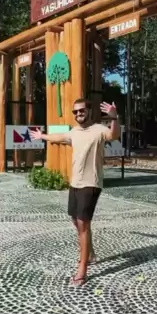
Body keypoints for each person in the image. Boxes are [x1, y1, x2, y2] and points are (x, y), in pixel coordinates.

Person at [30, 99, 120, 286]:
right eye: (75, 112)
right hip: (75, 183)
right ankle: (91, 253)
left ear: (89, 111)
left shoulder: (99, 130)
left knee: (82, 223)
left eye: (82, 110)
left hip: (91, 183)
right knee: (75, 219)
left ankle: (82, 269)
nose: (79, 114)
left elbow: (114, 134)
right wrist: (42, 136)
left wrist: (114, 117)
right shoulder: (74, 132)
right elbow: (59, 137)